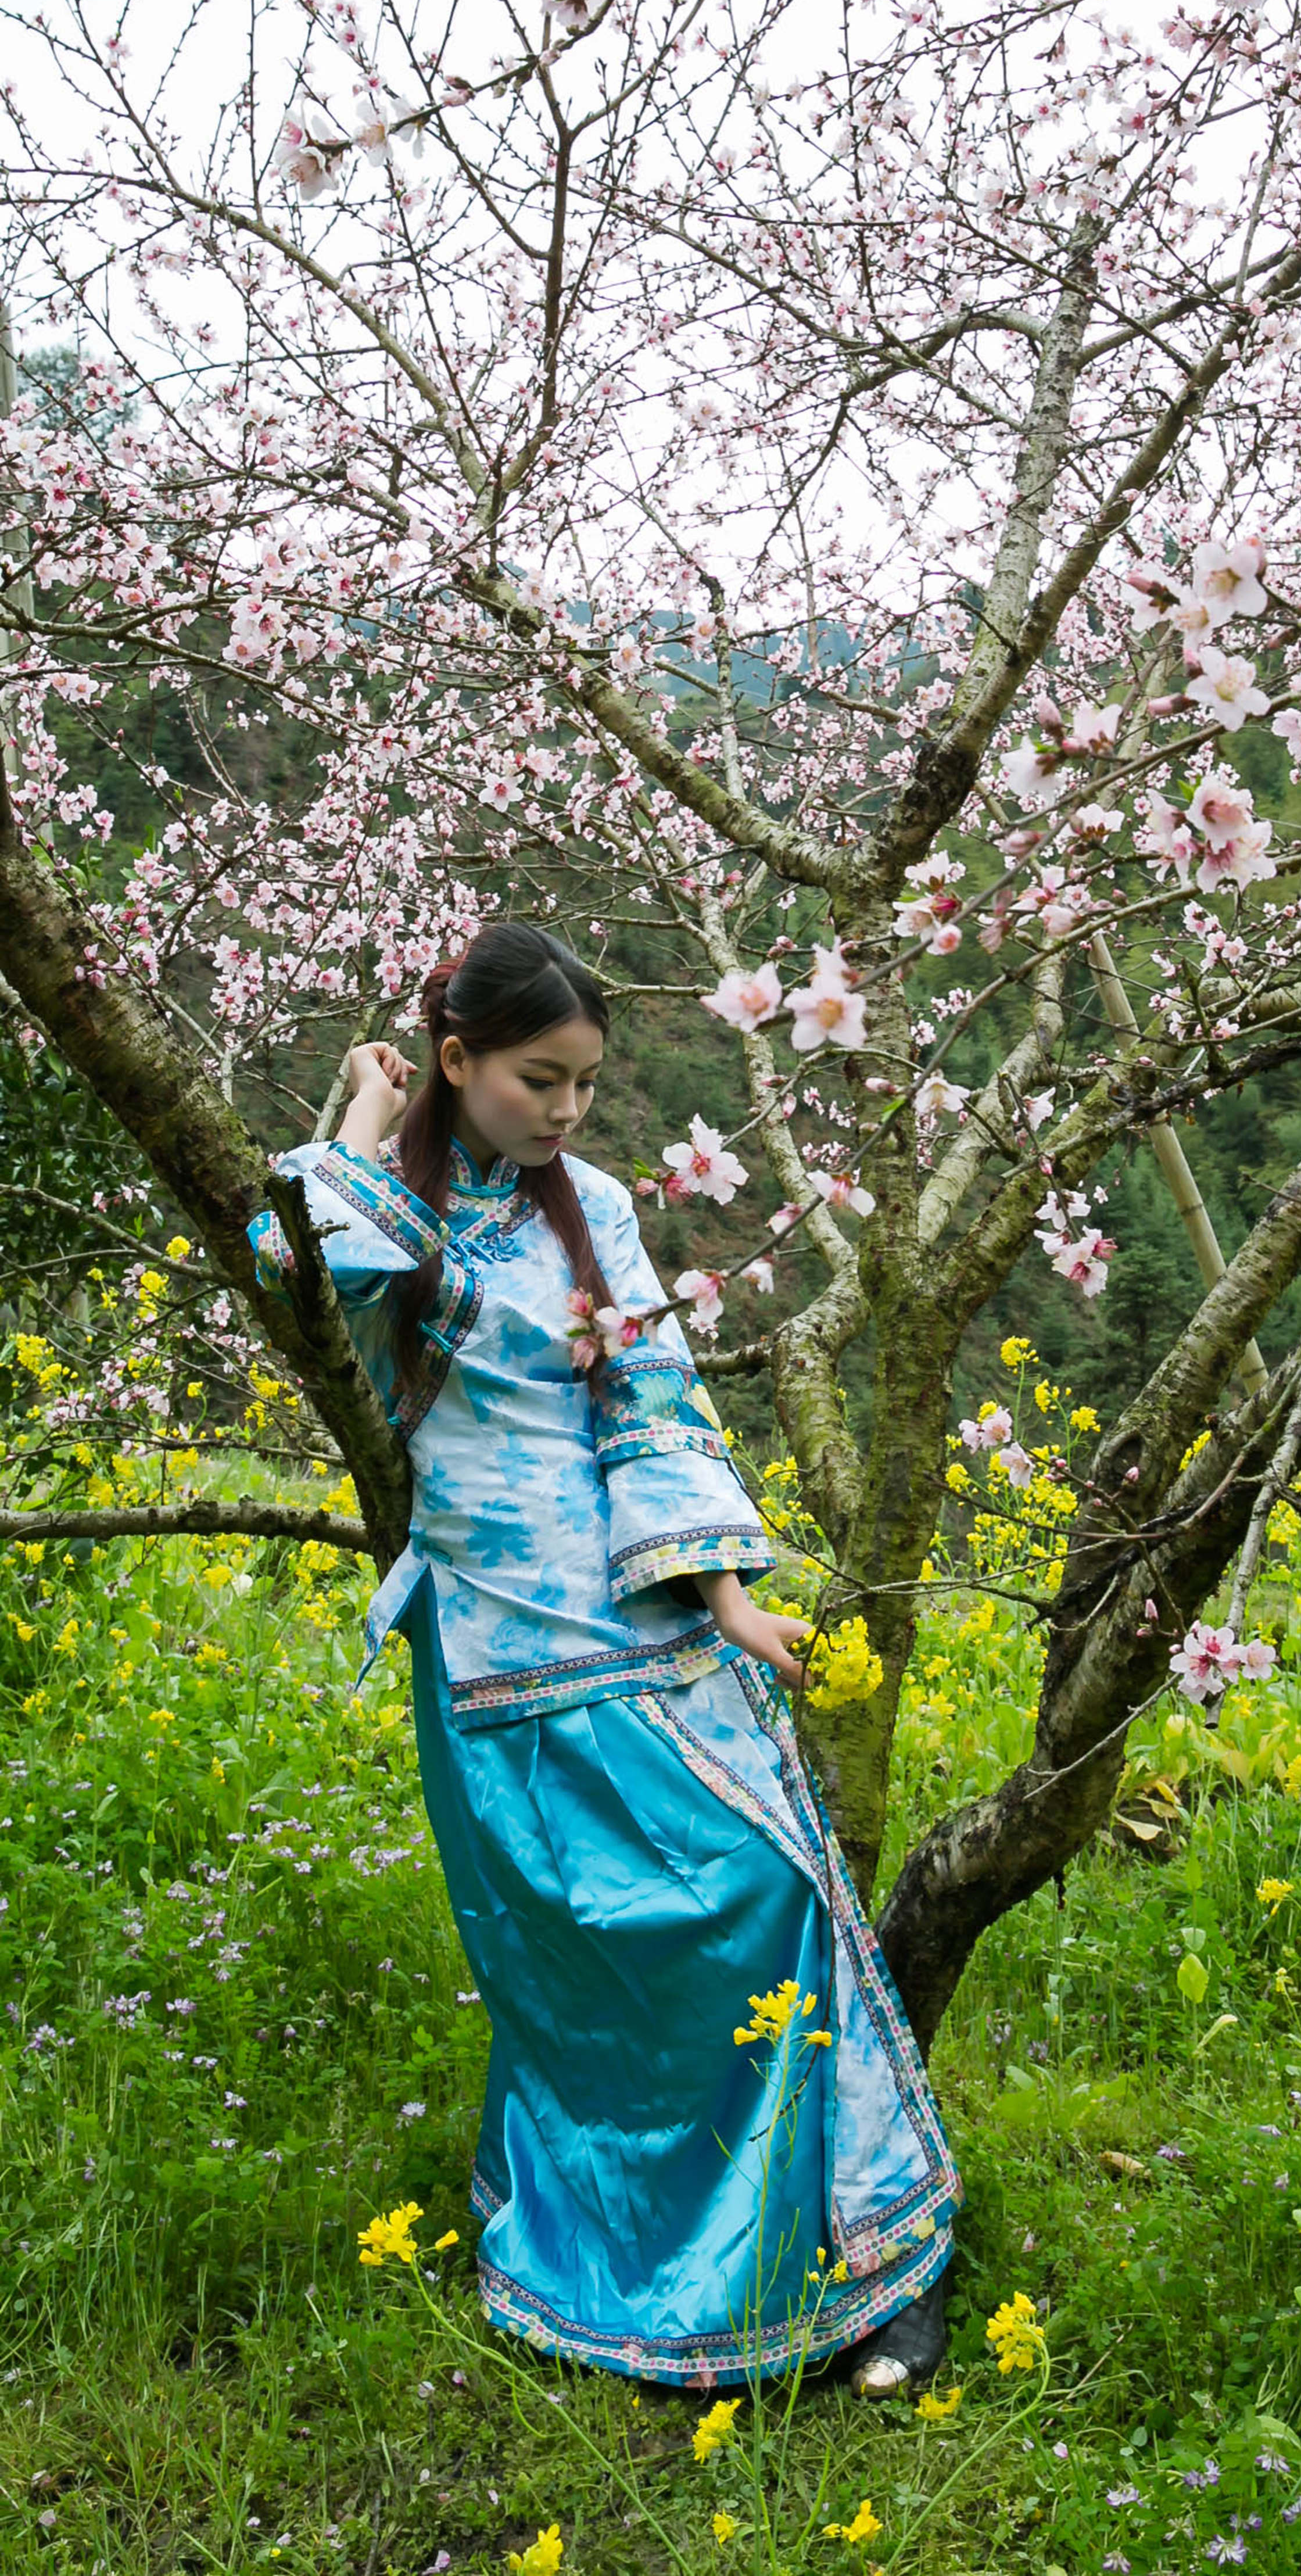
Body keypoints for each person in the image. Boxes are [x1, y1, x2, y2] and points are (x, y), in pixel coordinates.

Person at [248, 920, 958, 2395]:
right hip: (497, 1648)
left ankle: (866, 2264)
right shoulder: (385, 1200)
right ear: (455, 1059)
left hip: (640, 1621)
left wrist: (725, 1596)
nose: (567, 1109)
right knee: (574, 1974)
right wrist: (366, 1121)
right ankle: (635, 2273)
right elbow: (296, 1277)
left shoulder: (599, 1211)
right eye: (535, 1077)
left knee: (772, 1898)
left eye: (585, 1081)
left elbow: (647, 1390)